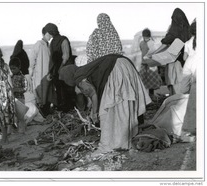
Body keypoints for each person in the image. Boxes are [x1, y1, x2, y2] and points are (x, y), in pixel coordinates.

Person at [59, 13, 151, 155]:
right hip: (125, 65)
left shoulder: (79, 75)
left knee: (111, 111)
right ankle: (129, 136)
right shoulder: (113, 34)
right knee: (124, 106)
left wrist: (94, 112)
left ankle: (114, 143)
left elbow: (93, 92)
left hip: (112, 72)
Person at [148, 8, 190, 95]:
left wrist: (154, 53)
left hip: (174, 61)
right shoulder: (188, 31)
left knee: (174, 82)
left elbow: (165, 43)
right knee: (183, 84)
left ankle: (177, 102)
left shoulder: (174, 31)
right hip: (185, 62)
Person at [44, 23, 76, 112]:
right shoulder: (59, 41)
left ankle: (67, 108)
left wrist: (58, 69)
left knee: (65, 89)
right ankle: (64, 108)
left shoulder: (61, 40)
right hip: (60, 69)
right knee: (62, 89)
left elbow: (65, 57)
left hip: (64, 69)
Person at [28, 27, 54, 116]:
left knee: (47, 93)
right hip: (40, 73)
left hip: (47, 73)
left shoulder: (48, 45)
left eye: (50, 34)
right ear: (43, 34)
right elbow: (32, 58)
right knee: (41, 93)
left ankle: (46, 111)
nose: (49, 36)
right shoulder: (39, 44)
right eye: (48, 34)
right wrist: (31, 71)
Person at [139, 28, 162, 99]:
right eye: (145, 37)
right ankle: (147, 97)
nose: (146, 38)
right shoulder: (143, 43)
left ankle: (151, 96)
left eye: (147, 37)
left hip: (150, 64)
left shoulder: (152, 43)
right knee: (144, 80)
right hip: (144, 63)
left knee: (151, 81)